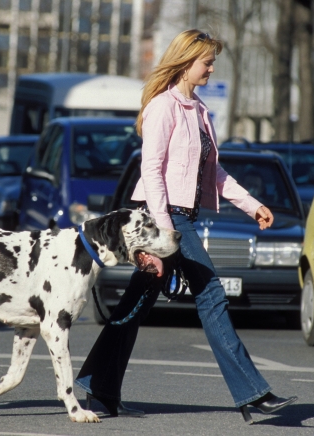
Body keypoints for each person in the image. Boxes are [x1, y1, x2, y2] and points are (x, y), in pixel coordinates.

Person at [75, 29, 297, 424]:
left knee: (136, 303)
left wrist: (253, 205)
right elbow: (152, 172)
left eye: (212, 62)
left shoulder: (199, 111)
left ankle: (98, 387)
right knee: (211, 294)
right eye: (207, 62)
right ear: (186, 62)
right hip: (164, 216)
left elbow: (215, 174)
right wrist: (163, 236)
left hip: (178, 217)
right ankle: (253, 394)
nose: (211, 68)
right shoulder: (163, 107)